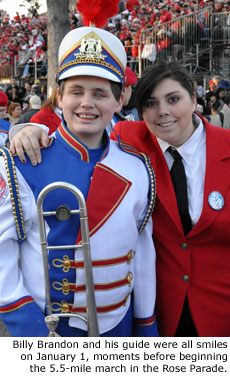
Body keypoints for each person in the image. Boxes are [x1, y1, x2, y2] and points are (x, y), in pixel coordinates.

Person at [14, 60, 230, 337]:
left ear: (194, 99)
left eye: (173, 99)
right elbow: (83, 135)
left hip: (220, 308)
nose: (163, 112)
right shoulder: (131, 140)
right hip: (163, 310)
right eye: (151, 103)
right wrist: (30, 131)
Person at [0, 25, 158, 337]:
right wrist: (32, 329)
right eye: (76, 92)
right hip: (49, 328)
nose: (87, 103)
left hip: (120, 324)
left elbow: (141, 252)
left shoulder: (138, 166)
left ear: (118, 101)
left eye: (100, 94)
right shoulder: (20, 162)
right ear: (59, 98)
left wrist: (145, 324)